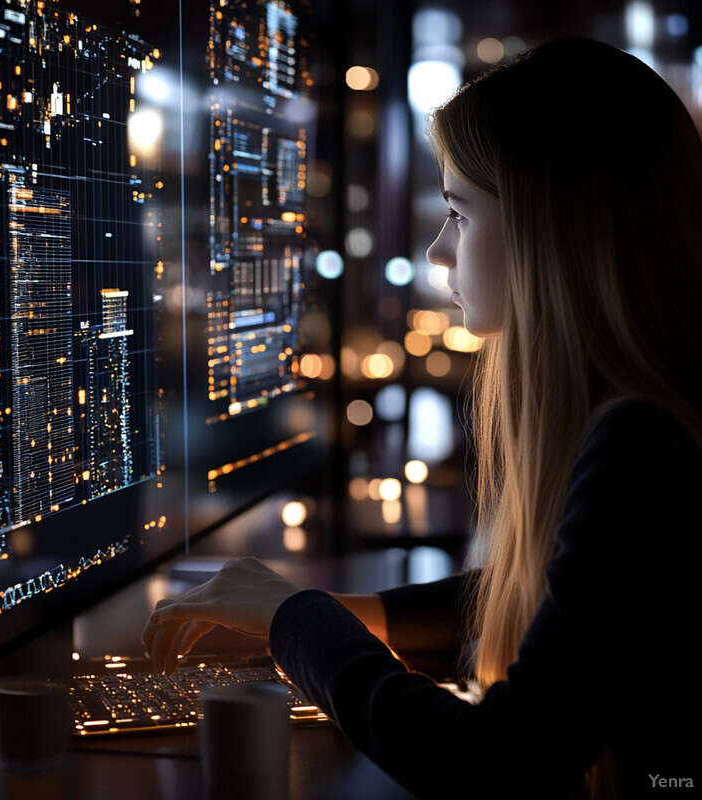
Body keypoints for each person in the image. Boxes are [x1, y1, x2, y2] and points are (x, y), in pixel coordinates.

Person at [142, 38, 702, 799]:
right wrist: (348, 615)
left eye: (459, 213)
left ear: (554, 232)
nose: (440, 251)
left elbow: (499, 763)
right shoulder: (657, 415)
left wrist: (295, 618)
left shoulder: (643, 443)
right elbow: (572, 620)